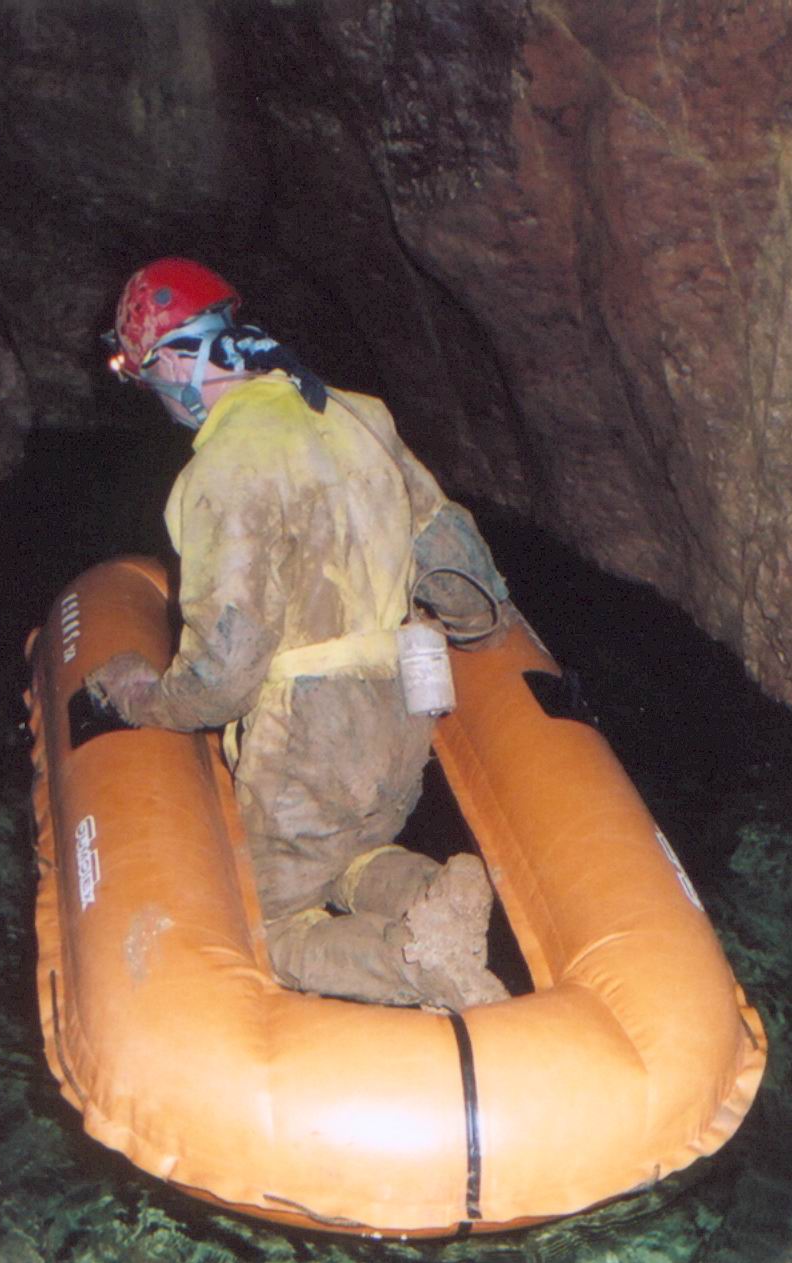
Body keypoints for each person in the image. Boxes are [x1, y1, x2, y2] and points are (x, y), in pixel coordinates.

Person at [86, 258, 511, 1010]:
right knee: (352, 855)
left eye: (144, 373)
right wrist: (480, 629)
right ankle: (436, 889)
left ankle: (413, 963)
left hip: (307, 732)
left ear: (177, 363)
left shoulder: (223, 470)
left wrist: (145, 698)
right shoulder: (359, 414)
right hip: (400, 715)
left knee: (277, 924)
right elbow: (459, 567)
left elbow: (225, 673)